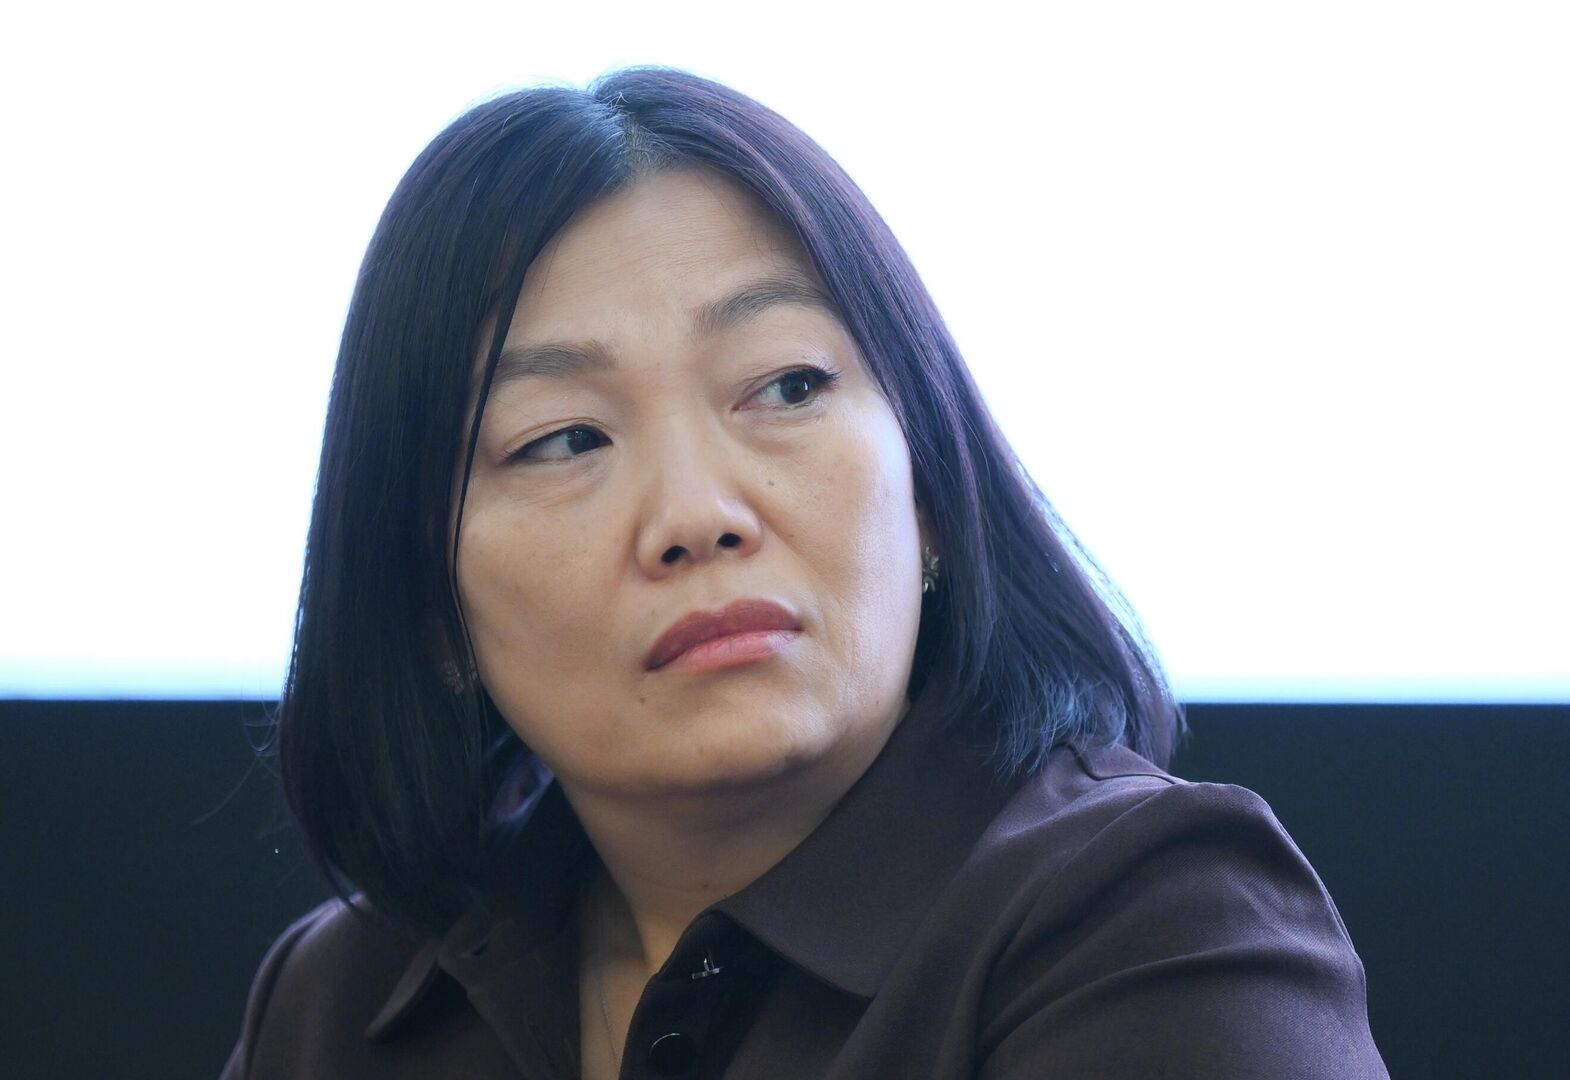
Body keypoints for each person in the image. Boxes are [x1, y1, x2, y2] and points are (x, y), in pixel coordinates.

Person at [221, 66, 1389, 1079]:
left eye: (786, 386)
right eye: (566, 439)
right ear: (428, 606)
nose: (697, 516)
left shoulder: (1149, 923)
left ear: (931, 492)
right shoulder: (341, 1004)